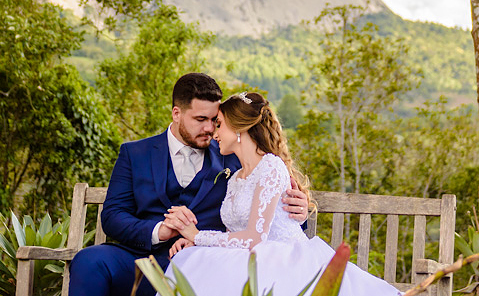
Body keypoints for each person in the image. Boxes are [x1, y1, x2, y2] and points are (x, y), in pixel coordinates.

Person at [68, 73, 311, 296]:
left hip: (206, 261)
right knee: (89, 261)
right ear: (177, 113)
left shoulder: (234, 154)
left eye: (215, 121)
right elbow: (112, 216)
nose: (209, 129)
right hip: (142, 259)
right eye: (200, 119)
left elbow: (270, 217)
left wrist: (300, 211)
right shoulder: (135, 153)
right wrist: (159, 231)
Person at [163, 91, 398, 296]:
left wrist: (197, 235)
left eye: (220, 124)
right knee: (190, 260)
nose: (215, 132)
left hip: (282, 261)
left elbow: (254, 238)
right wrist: (197, 242)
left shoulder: (271, 167)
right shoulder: (235, 178)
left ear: (238, 128)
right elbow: (234, 234)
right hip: (250, 258)